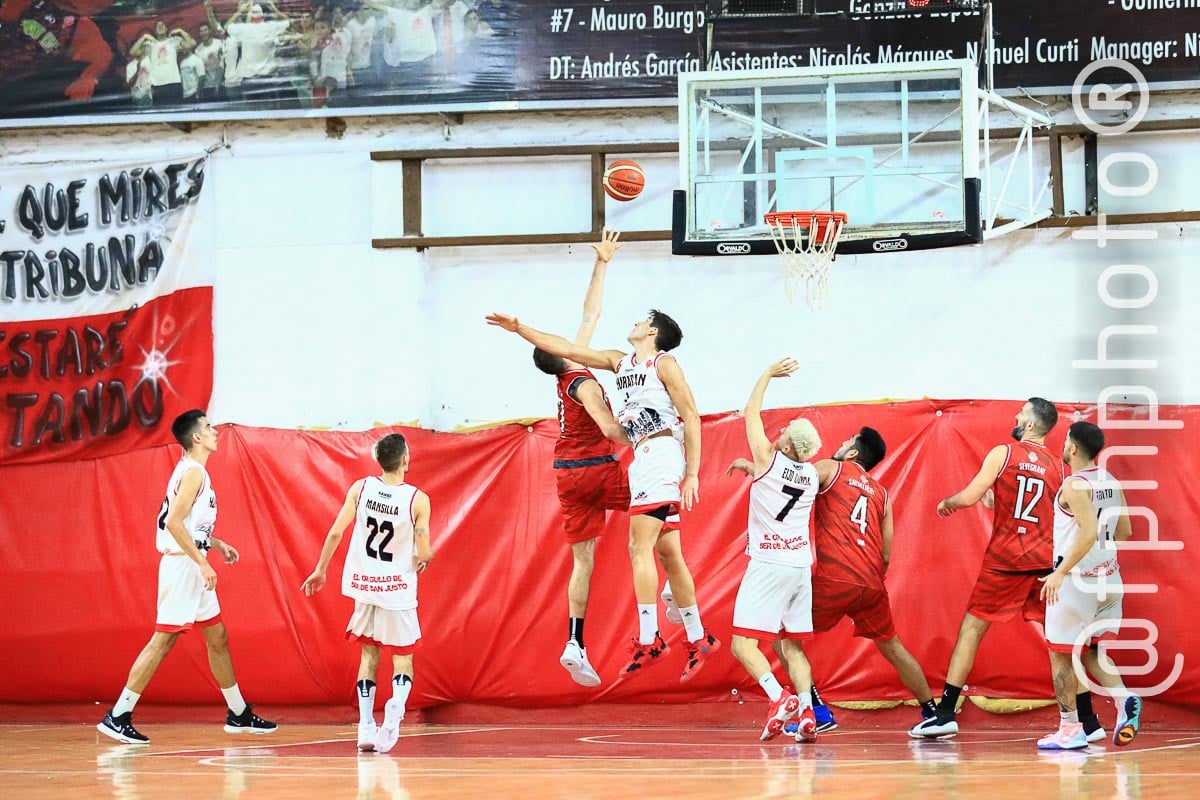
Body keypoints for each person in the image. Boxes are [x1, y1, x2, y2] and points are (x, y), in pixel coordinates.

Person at [486, 304, 720, 684]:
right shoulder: (619, 361)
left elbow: (691, 415)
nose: (635, 322)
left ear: (653, 333)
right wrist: (519, 329)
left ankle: (650, 639)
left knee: (637, 548)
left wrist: (692, 472)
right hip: (642, 456)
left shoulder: (663, 365)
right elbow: (565, 347)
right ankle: (698, 637)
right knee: (668, 552)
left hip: (661, 453)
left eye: (643, 321)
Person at [98, 410, 277, 744]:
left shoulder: (192, 472)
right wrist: (203, 562)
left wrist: (216, 544)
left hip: (192, 562)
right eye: (209, 428)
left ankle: (238, 713)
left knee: (217, 636)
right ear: (196, 437)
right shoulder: (193, 473)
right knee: (163, 640)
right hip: (183, 566)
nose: (215, 432)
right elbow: (174, 524)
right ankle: (118, 715)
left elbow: (189, 525)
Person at [910, 398, 1064, 739]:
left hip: (1007, 561)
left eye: (1021, 412)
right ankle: (1082, 721)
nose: (1016, 415)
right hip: (1044, 562)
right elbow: (1045, 509)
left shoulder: (1004, 453)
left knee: (971, 630)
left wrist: (948, 503)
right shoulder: (1060, 467)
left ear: (1031, 425)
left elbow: (968, 497)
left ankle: (946, 713)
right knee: (1058, 642)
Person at [776, 426, 938, 738]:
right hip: (872, 583)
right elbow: (887, 554)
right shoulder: (883, 494)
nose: (840, 444)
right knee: (893, 647)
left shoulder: (830, 469)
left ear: (852, 453)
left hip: (835, 577)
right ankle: (933, 713)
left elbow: (789, 484)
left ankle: (818, 711)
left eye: (845, 441)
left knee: (781, 632)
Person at [529, 230, 632, 687]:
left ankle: (575, 641)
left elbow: (590, 313)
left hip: (565, 476)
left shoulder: (566, 370)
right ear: (559, 351)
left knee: (582, 562)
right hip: (594, 469)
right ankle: (672, 596)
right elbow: (611, 430)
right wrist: (649, 431)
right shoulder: (583, 383)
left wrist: (603, 263)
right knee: (662, 509)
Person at [301, 433, 433, 753]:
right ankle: (395, 710)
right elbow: (424, 548)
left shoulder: (360, 489)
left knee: (368, 654)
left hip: (365, 586)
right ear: (404, 460)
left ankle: (364, 725)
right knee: (403, 658)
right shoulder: (417, 499)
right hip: (397, 590)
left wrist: (320, 570)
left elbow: (336, 531)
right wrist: (423, 554)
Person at [724, 358, 822, 741]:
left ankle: (777, 697)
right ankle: (808, 712)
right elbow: (784, 483)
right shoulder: (811, 474)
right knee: (791, 644)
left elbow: (750, 412)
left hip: (769, 562)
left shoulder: (769, 458)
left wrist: (766, 373)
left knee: (741, 644)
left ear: (785, 441)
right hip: (800, 565)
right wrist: (753, 468)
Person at [1037, 421, 1141, 750]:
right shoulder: (1111, 481)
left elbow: (1087, 532)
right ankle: (1124, 699)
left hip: (1076, 583)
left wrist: (1059, 572)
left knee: (1061, 657)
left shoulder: (1073, 486)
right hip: (1110, 580)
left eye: (1066, 440)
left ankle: (1069, 729)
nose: (1063, 444)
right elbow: (1124, 531)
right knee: (1093, 651)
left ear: (1073, 449)